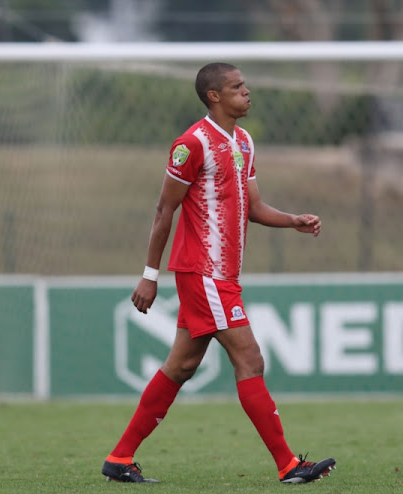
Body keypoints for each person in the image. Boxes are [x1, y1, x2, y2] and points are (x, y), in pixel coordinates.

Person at [101, 62, 336, 485]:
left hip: (222, 276)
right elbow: (164, 210)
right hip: (203, 273)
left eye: (245, 85)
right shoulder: (191, 145)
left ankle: (119, 457)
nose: (247, 92)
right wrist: (149, 275)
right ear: (214, 96)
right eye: (237, 87)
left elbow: (256, 207)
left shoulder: (243, 142)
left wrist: (292, 221)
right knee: (250, 359)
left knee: (181, 366)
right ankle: (288, 465)